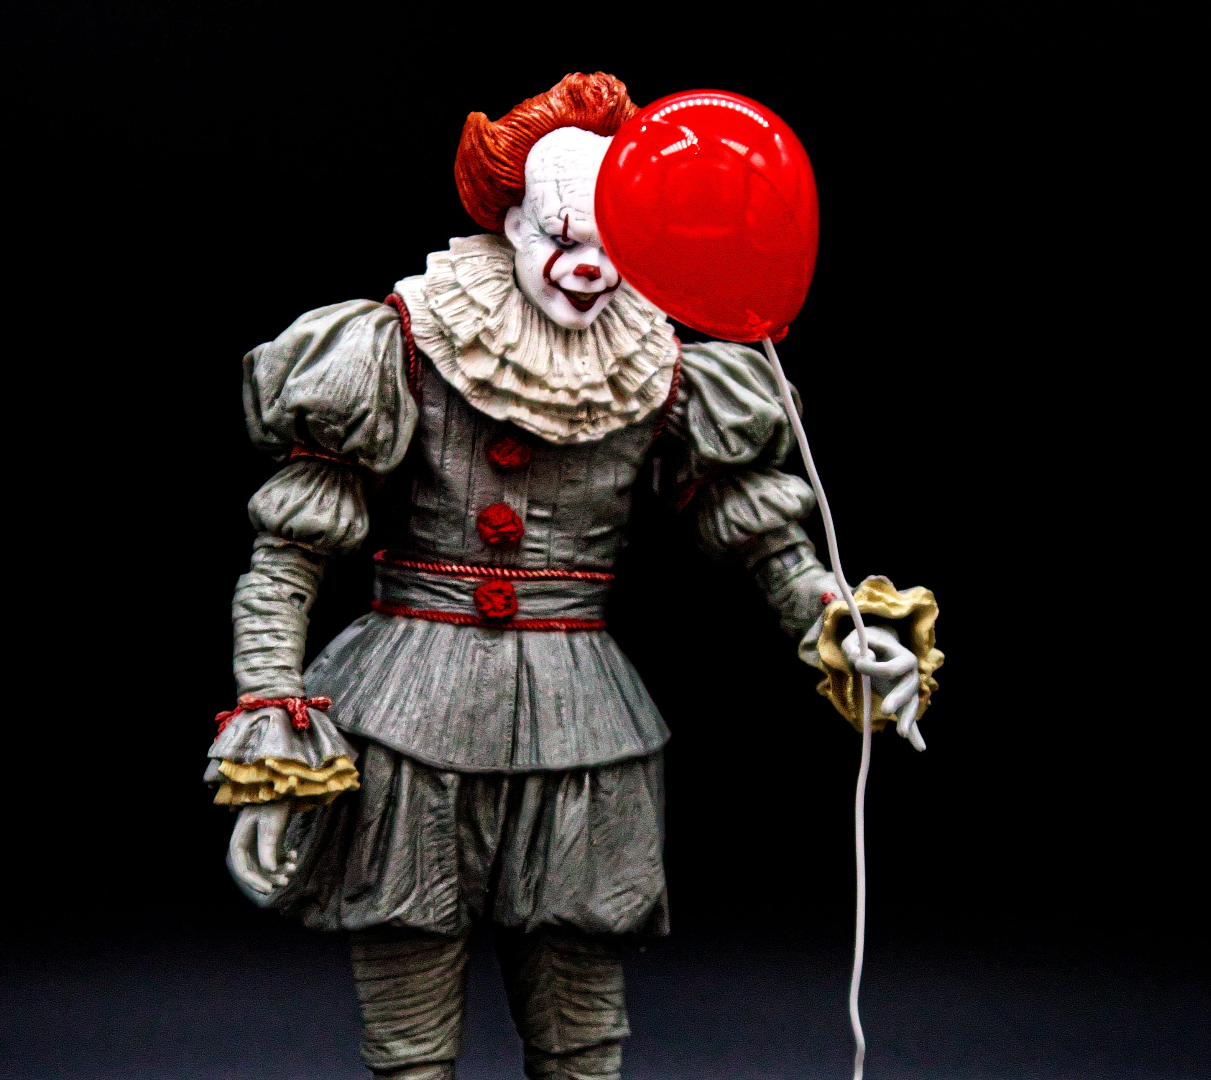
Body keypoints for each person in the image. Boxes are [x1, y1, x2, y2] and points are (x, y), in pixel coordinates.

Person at [203, 72, 932, 1080]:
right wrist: (271, 719)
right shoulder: (406, 342)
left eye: (613, 243)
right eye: (561, 235)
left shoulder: (659, 366)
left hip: (584, 720)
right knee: (411, 1039)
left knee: (584, 1032)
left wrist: (836, 623)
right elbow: (290, 554)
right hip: (409, 714)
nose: (588, 268)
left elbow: (764, 533)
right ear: (510, 222)